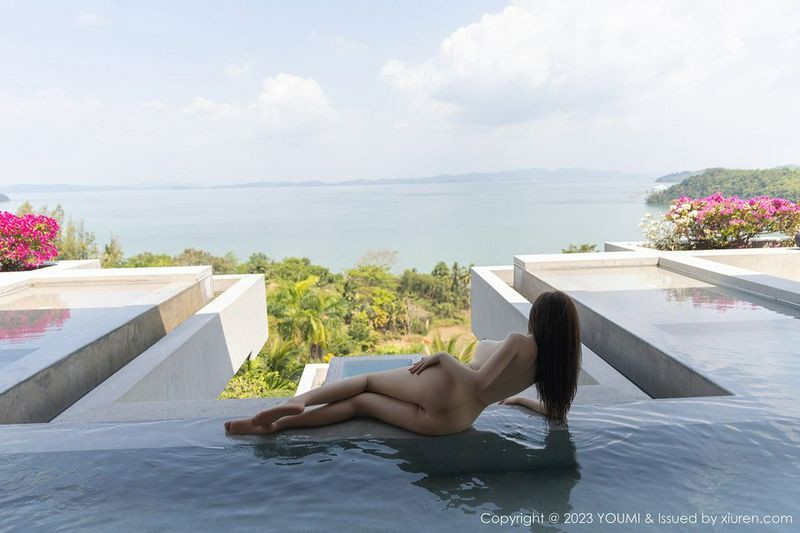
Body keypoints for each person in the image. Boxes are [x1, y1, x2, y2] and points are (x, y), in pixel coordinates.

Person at [224, 290, 581, 435]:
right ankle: (275, 427)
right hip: (455, 422)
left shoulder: (520, 342)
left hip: (447, 385)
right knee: (362, 406)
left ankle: (298, 402)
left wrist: (443, 357)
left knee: (366, 384)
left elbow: (478, 383)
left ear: (539, 318)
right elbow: (556, 414)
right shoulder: (549, 368)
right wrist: (518, 399)